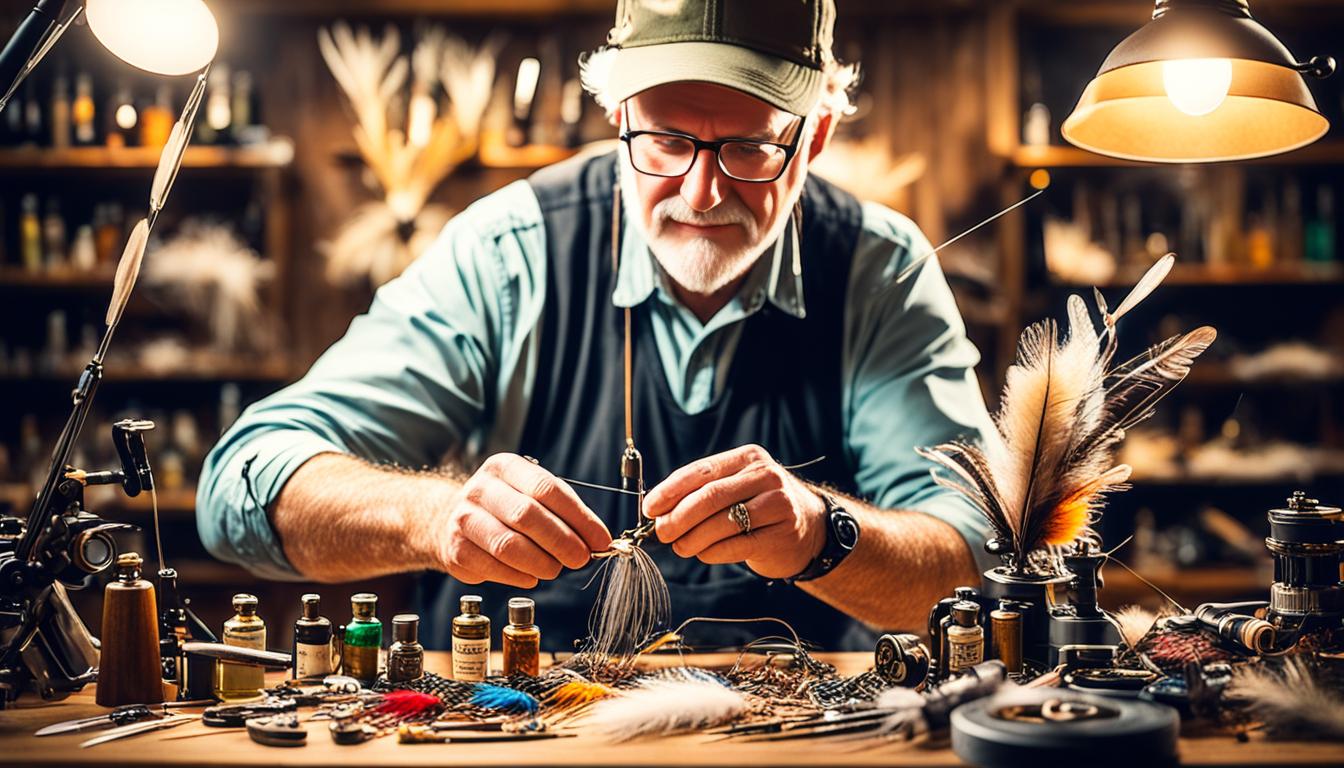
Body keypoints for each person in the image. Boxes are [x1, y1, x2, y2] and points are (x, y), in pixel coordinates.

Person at [197, 0, 998, 651]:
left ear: (813, 136)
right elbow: (244, 478)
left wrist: (824, 534)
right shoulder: (509, 252)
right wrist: (433, 517)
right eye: (665, 140)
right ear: (617, 117)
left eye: (750, 148)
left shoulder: (878, 269)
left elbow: (976, 565)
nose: (701, 191)